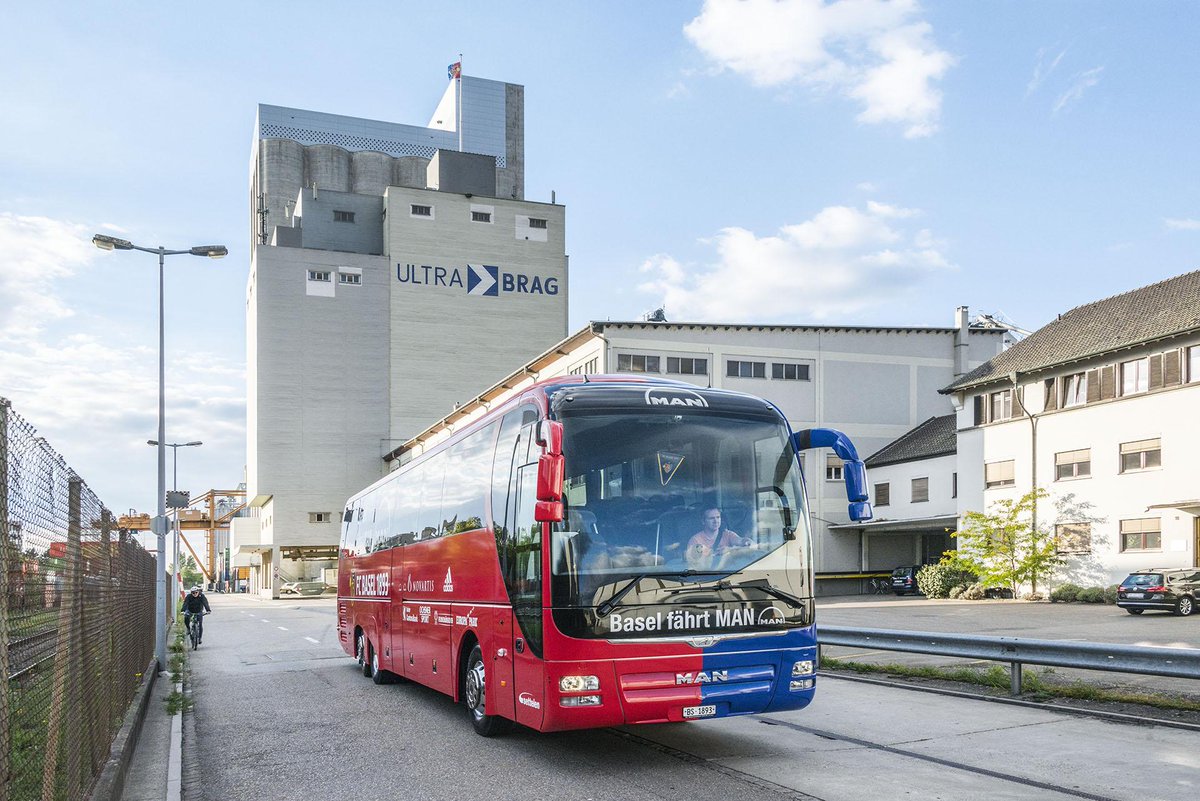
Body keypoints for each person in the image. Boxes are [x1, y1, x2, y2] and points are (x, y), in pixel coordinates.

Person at [686, 507, 754, 571]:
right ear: (703, 521)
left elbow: (744, 542)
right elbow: (694, 564)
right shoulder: (695, 540)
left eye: (718, 517)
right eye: (711, 518)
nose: (716, 521)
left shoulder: (728, 534)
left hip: (729, 574)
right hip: (706, 576)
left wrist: (730, 549)